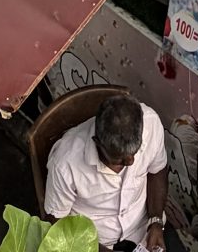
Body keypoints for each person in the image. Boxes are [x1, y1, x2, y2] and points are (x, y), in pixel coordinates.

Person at [42, 89, 168, 252]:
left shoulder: (151, 123)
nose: (130, 162)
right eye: (119, 159)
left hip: (143, 226)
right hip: (93, 241)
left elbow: (157, 170)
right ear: (98, 143)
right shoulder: (66, 162)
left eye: (135, 152)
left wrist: (156, 222)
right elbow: (56, 223)